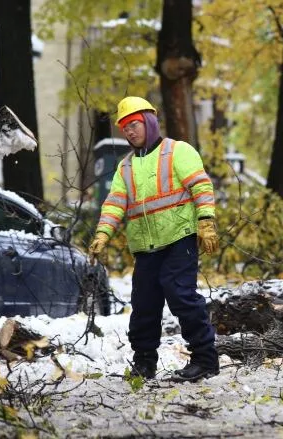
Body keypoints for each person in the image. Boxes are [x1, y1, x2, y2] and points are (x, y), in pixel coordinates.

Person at [88, 96, 220, 382]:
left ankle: (205, 359)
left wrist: (206, 222)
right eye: (124, 128)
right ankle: (144, 363)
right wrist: (102, 234)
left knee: (180, 294)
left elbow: (201, 186)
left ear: (148, 122)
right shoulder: (125, 168)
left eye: (134, 124)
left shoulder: (177, 151)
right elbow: (114, 203)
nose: (129, 132)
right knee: (144, 303)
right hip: (145, 246)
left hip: (179, 238)